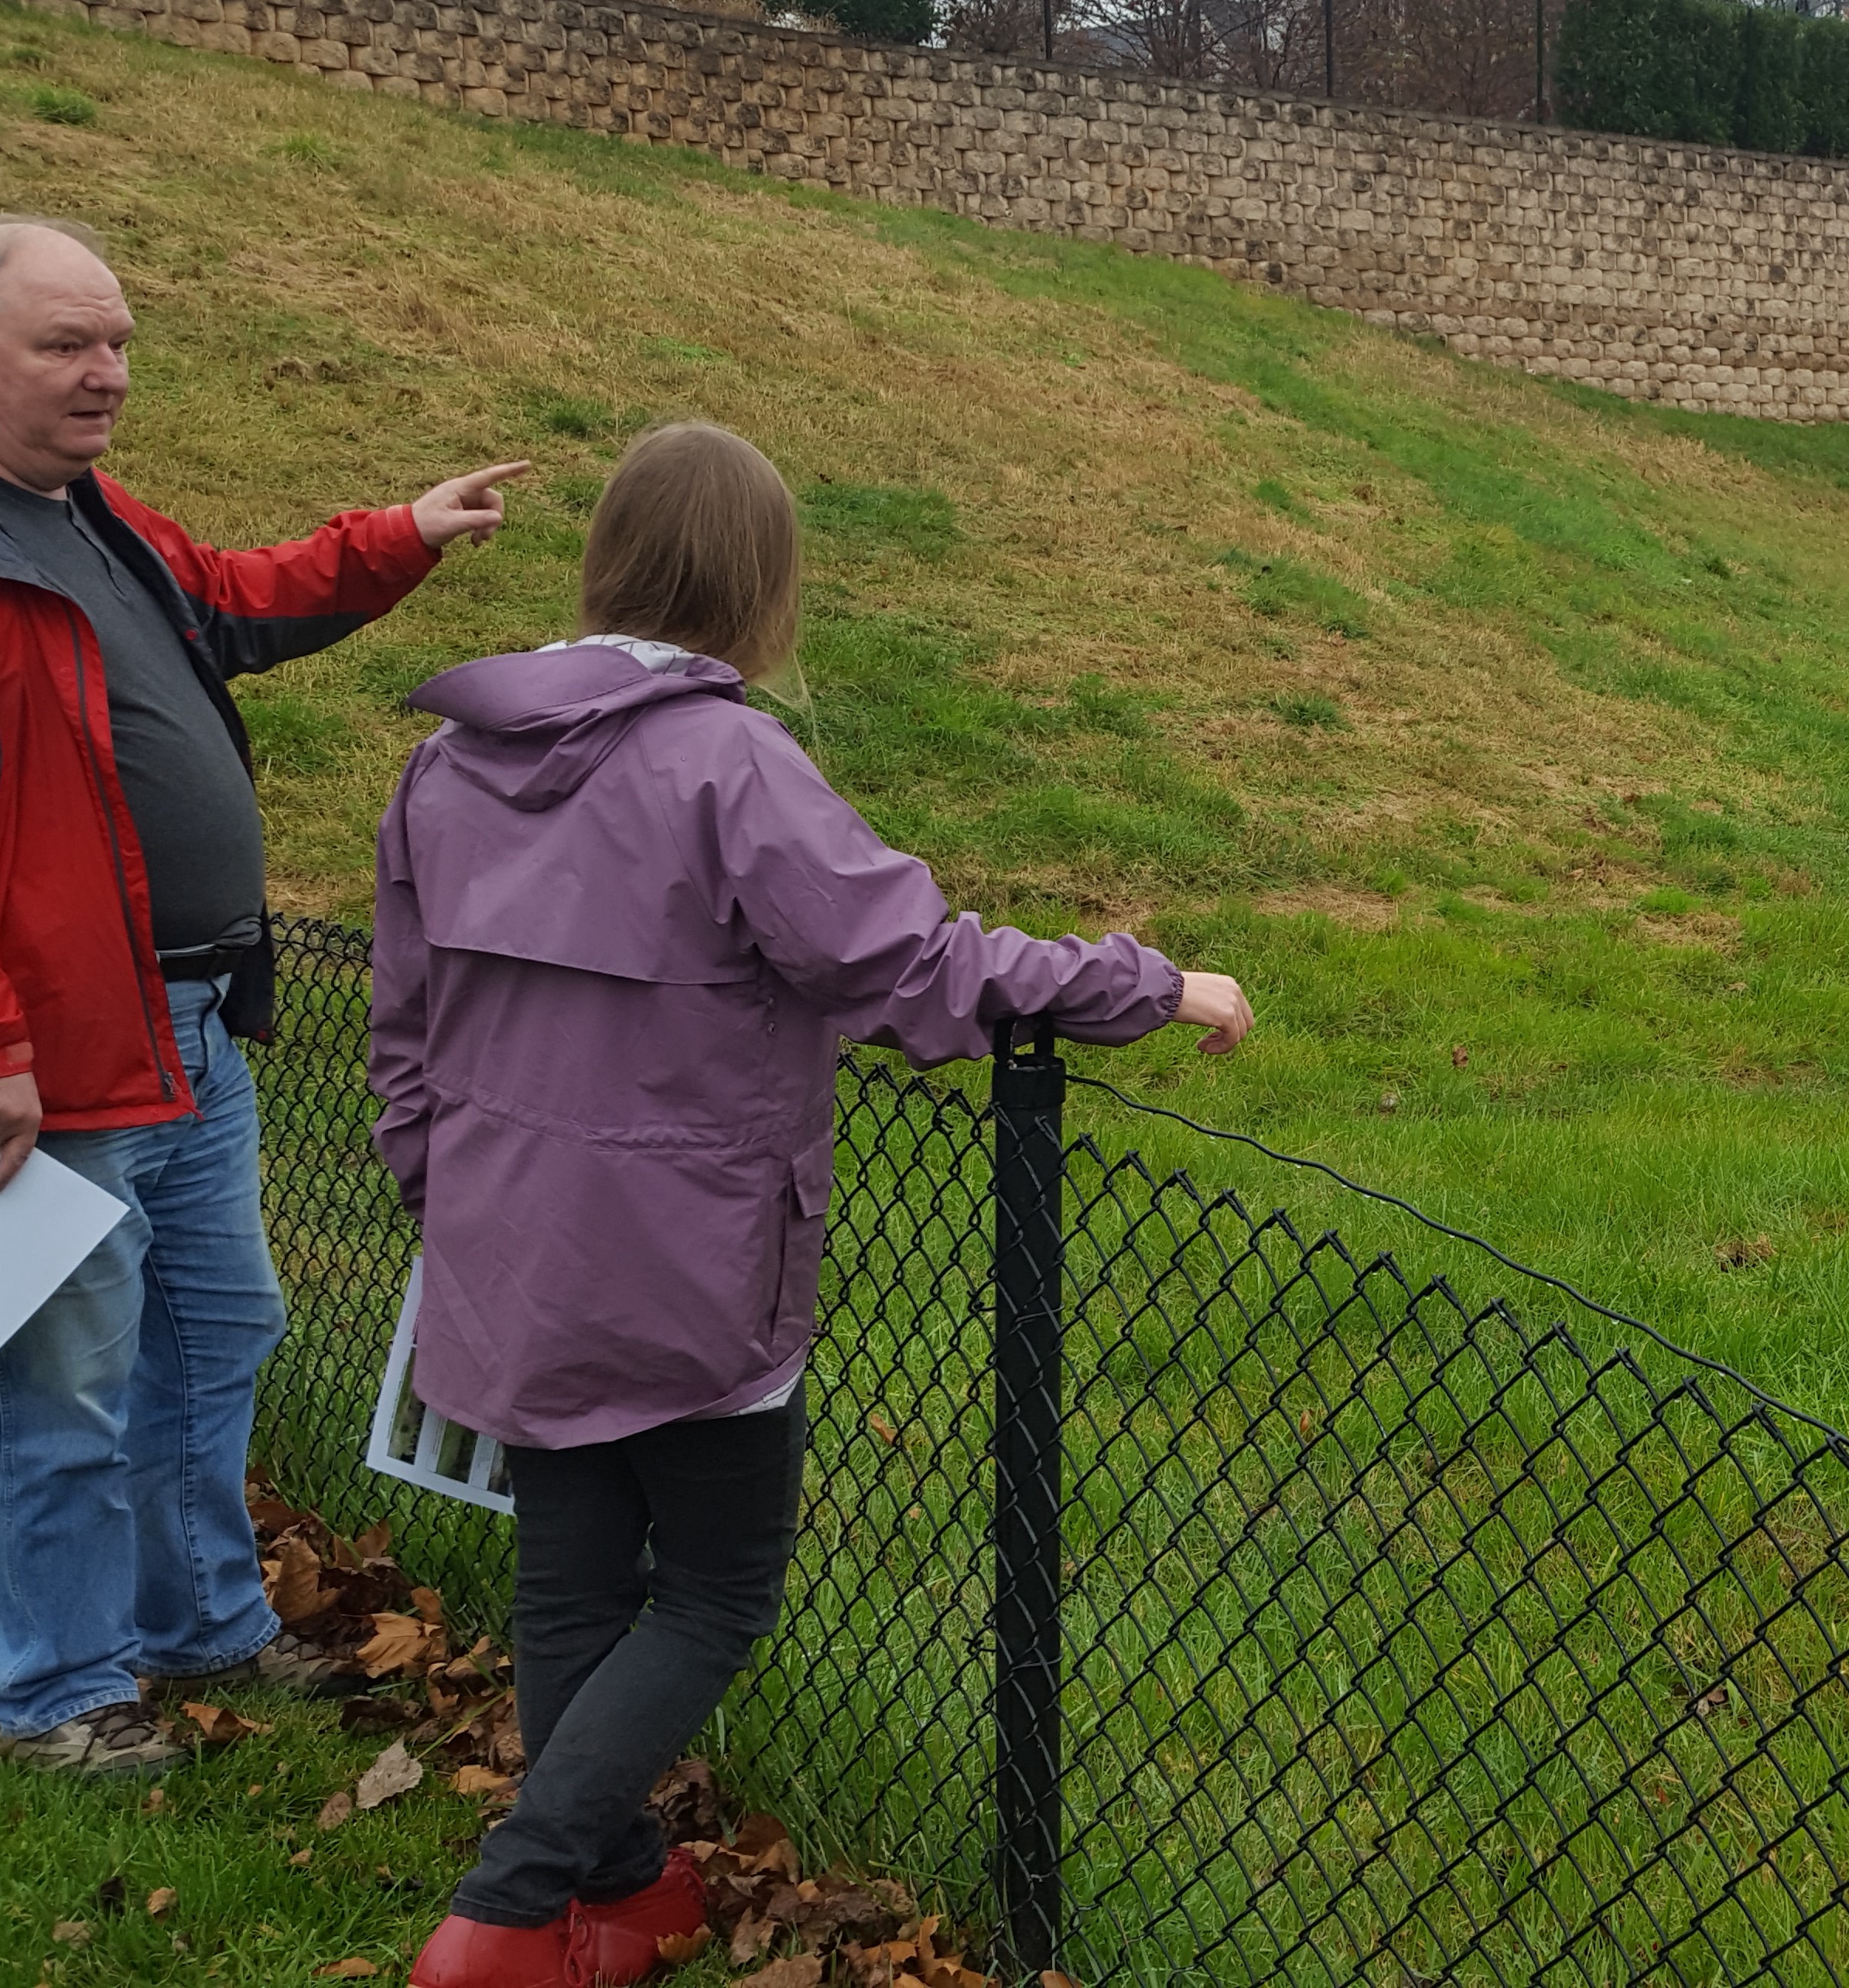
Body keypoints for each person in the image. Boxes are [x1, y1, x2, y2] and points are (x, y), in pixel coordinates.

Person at [371, 422, 1253, 1988]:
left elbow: (404, 1021)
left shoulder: (451, 758)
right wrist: (1146, 981)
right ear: (762, 580)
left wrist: (444, 1195)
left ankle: (618, 1894)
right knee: (714, 1591)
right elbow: (909, 967)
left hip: (505, 1246)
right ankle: (506, 1912)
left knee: (572, 1579)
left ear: (609, 556)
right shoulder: (727, 763)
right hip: (689, 1259)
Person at [0, 214, 528, 1776]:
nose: (107, 375)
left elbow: (224, 603)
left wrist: (397, 536)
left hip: (178, 1026)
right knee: (57, 1377)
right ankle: (61, 1692)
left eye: (116, 344)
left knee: (218, 1326)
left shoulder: (82, 516)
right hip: (31, 1060)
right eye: (66, 346)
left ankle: (201, 1625)